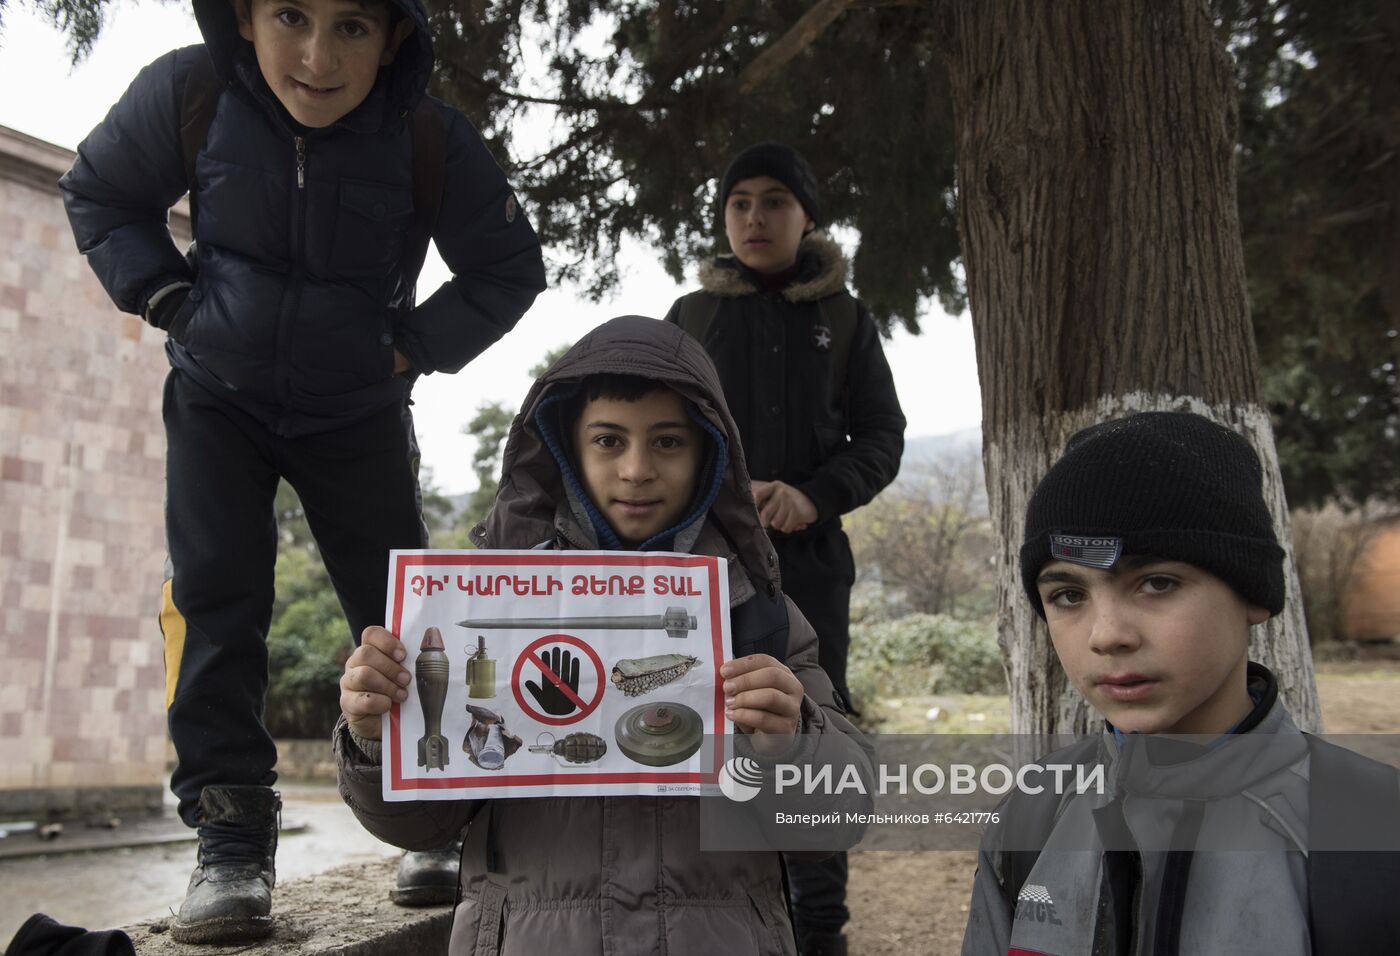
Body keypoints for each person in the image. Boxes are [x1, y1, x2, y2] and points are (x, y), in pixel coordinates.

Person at [58, 0, 546, 941]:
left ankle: (432, 825)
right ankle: (231, 847)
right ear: (243, 18)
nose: (319, 56)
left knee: (400, 617)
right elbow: (100, 193)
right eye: (291, 15)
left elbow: (507, 268)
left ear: (394, 38)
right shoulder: (187, 91)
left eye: (354, 27)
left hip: (357, 412)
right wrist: (167, 297)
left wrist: (403, 351)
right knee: (213, 603)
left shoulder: (427, 137)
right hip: (216, 397)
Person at [336, 315, 872, 954]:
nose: (637, 469)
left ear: (710, 451)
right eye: (609, 441)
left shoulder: (758, 615)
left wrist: (794, 742)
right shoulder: (478, 608)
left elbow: (840, 818)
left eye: (668, 442)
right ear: (567, 448)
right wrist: (374, 740)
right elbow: (423, 824)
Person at [961, 411, 1400, 955]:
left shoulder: (1375, 830)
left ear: (1253, 594)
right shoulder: (1032, 815)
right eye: (1068, 595)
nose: (1107, 636)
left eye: (1157, 583)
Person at [664, 142, 905, 956]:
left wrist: (813, 494)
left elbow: (880, 436)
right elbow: (660, 434)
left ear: (807, 216)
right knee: (703, 731)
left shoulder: (843, 318)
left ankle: (820, 934)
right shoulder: (691, 318)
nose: (754, 218)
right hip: (694, 575)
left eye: (774, 201)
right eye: (739, 203)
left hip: (806, 572)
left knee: (805, 734)